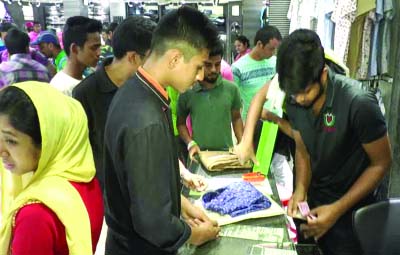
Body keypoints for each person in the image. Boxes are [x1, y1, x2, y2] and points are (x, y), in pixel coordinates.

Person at [236, 29, 392, 255]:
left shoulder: (358, 103)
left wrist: (336, 209)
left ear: (323, 75)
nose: (298, 99)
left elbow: (381, 163)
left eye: (305, 92)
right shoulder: (293, 94)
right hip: (315, 200)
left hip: (352, 210)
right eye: (293, 94)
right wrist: (300, 189)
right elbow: (302, 147)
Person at [103, 6, 220, 254]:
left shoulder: (139, 91)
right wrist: (195, 233)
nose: (200, 76)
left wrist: (184, 205)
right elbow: (153, 223)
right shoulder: (145, 117)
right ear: (175, 58)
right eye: (199, 66)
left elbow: (145, 183)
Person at [0, 82, 104, 254]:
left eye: (11, 141)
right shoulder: (85, 180)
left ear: (48, 141)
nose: (1, 151)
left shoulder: (35, 214)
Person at [72, 16, 155, 191]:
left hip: (144, 186)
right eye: (151, 58)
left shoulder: (146, 88)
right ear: (133, 57)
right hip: (107, 195)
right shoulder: (85, 93)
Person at [177, 41, 243, 160]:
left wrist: (241, 143)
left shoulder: (231, 89)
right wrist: (190, 143)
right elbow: (180, 123)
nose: (213, 69)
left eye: (217, 64)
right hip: (199, 155)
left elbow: (237, 118)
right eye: (208, 65)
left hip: (227, 155)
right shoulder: (188, 91)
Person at [50, 16, 102, 96]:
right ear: (75, 49)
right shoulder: (61, 90)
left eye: (99, 47)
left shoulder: (81, 80)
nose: (99, 53)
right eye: (94, 48)